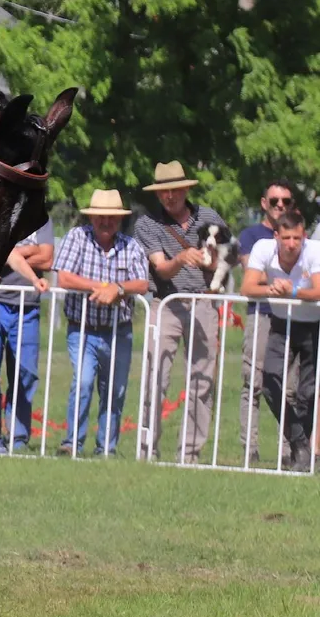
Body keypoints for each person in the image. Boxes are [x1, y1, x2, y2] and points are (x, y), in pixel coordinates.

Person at [135, 161, 230, 463]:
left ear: (186, 189)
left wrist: (211, 262)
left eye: (175, 189)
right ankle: (147, 450)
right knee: (155, 377)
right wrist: (182, 258)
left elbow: (226, 260)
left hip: (202, 302)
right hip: (165, 303)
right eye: (164, 191)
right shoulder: (147, 223)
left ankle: (190, 455)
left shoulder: (210, 217)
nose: (170, 196)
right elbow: (161, 268)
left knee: (202, 380)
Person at [54, 190, 151, 456]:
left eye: (111, 218)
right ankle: (72, 443)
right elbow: (64, 278)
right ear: (92, 217)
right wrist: (103, 287)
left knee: (115, 392)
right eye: (101, 217)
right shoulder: (77, 237)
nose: (106, 222)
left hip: (119, 330)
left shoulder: (131, 246)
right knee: (83, 383)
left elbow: (142, 284)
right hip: (82, 329)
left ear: (119, 220)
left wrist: (118, 289)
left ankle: (106, 449)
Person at [240, 210, 320, 471]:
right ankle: (300, 444)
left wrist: (293, 290)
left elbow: (319, 289)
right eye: (286, 237)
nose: (291, 244)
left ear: (304, 236)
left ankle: (302, 454)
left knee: (307, 394)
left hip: (312, 325)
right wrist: (271, 289)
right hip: (280, 323)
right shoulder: (263, 248)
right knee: (269, 381)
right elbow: (247, 287)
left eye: (296, 238)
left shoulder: (313, 251)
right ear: (276, 236)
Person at [0, 219, 55, 452]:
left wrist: (11, 254)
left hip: (27, 307)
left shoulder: (41, 219)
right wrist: (30, 250)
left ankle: (18, 437)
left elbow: (48, 259)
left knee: (25, 375)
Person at [237, 180, 301, 461]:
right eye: (274, 201)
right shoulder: (252, 235)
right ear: (264, 203)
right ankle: (249, 448)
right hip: (262, 314)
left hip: (294, 318)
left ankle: (288, 451)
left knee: (289, 388)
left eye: (285, 202)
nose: (280, 206)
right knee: (253, 381)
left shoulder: (298, 235)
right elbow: (252, 274)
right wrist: (288, 281)